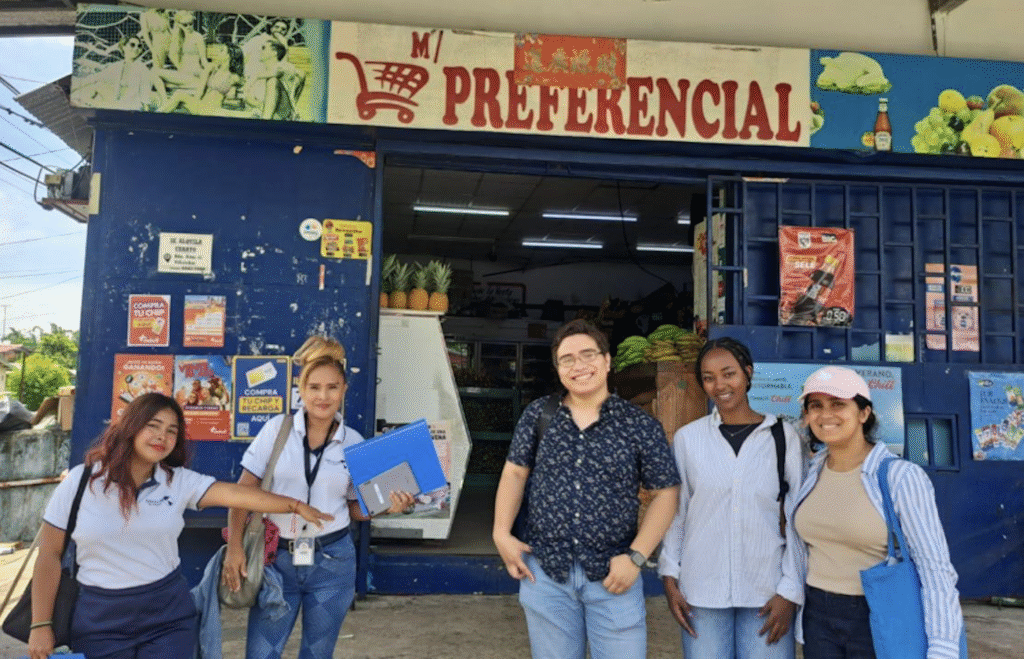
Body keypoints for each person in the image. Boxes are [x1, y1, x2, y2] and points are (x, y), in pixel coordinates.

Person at [25, 393, 332, 659]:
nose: (162, 436)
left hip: (167, 615)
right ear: (131, 426)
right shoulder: (81, 482)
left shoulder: (177, 481)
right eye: (153, 426)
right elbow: (49, 555)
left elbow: (236, 494)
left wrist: (294, 505)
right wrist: (40, 624)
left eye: (172, 431)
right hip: (99, 618)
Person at [492, 319, 681, 659]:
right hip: (547, 574)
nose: (578, 366)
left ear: (607, 361)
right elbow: (515, 473)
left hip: (614, 575)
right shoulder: (539, 415)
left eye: (588, 355)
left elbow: (666, 493)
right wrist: (501, 533)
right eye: (567, 359)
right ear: (558, 368)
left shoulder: (638, 424)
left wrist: (637, 557)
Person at [223, 335, 414, 659]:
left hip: (332, 562)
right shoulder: (276, 430)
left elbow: (355, 508)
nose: (323, 396)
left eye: (332, 387)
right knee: (261, 653)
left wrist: (387, 507)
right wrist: (235, 547)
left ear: (344, 390)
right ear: (301, 389)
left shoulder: (354, 443)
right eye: (314, 387)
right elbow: (242, 492)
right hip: (277, 561)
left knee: (317, 653)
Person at [792, 366, 965, 658]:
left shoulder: (899, 477)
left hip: (878, 613)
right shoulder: (810, 471)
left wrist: (943, 646)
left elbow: (934, 568)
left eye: (838, 404)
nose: (825, 414)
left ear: (864, 413)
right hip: (817, 616)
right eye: (816, 405)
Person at [658, 337, 804, 659]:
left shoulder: (783, 437)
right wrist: (669, 575)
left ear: (747, 373)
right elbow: (677, 512)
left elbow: (797, 518)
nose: (720, 385)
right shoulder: (688, 439)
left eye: (729, 374)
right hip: (701, 590)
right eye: (708, 378)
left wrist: (790, 590)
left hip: (767, 590)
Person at [71, 35, 156, 111]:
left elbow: (145, 93)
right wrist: (75, 87)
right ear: (124, 46)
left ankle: (82, 104)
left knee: (87, 100)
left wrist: (145, 112)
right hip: (115, 101)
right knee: (97, 85)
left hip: (130, 107)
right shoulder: (117, 66)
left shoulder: (142, 68)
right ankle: (77, 101)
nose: (136, 48)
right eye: (132, 45)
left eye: (139, 46)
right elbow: (96, 77)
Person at [157, 42, 245, 115]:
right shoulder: (212, 68)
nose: (218, 52)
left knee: (179, 95)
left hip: (212, 110)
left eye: (222, 51)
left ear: (229, 56)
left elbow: (243, 90)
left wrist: (233, 91)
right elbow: (200, 91)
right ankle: (157, 116)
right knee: (179, 95)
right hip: (202, 106)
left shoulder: (234, 76)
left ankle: (156, 117)